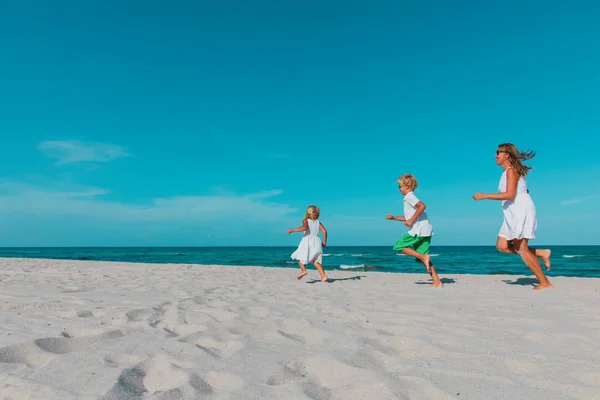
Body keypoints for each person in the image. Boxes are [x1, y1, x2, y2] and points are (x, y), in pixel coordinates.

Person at [473, 143, 553, 290]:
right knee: (502, 246)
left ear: (507, 155)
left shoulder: (511, 171)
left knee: (521, 248)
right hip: (511, 212)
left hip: (520, 210)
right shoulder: (506, 172)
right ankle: (541, 253)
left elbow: (510, 195)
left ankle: (544, 282)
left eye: (498, 152)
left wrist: (485, 196)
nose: (495, 155)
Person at [386, 174, 443, 287]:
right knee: (424, 258)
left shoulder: (409, 197)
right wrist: (394, 218)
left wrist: (411, 220)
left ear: (407, 186)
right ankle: (437, 282)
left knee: (399, 246)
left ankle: (423, 257)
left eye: (399, 185)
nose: (399, 188)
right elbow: (408, 217)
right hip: (426, 230)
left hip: (418, 230)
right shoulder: (409, 198)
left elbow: (422, 206)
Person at [287, 205, 329, 282]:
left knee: (299, 256)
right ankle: (323, 276)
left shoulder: (305, 220)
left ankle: (303, 271)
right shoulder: (318, 222)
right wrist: (324, 242)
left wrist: (293, 230)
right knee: (316, 261)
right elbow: (324, 231)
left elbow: (305, 228)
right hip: (317, 241)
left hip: (307, 241)